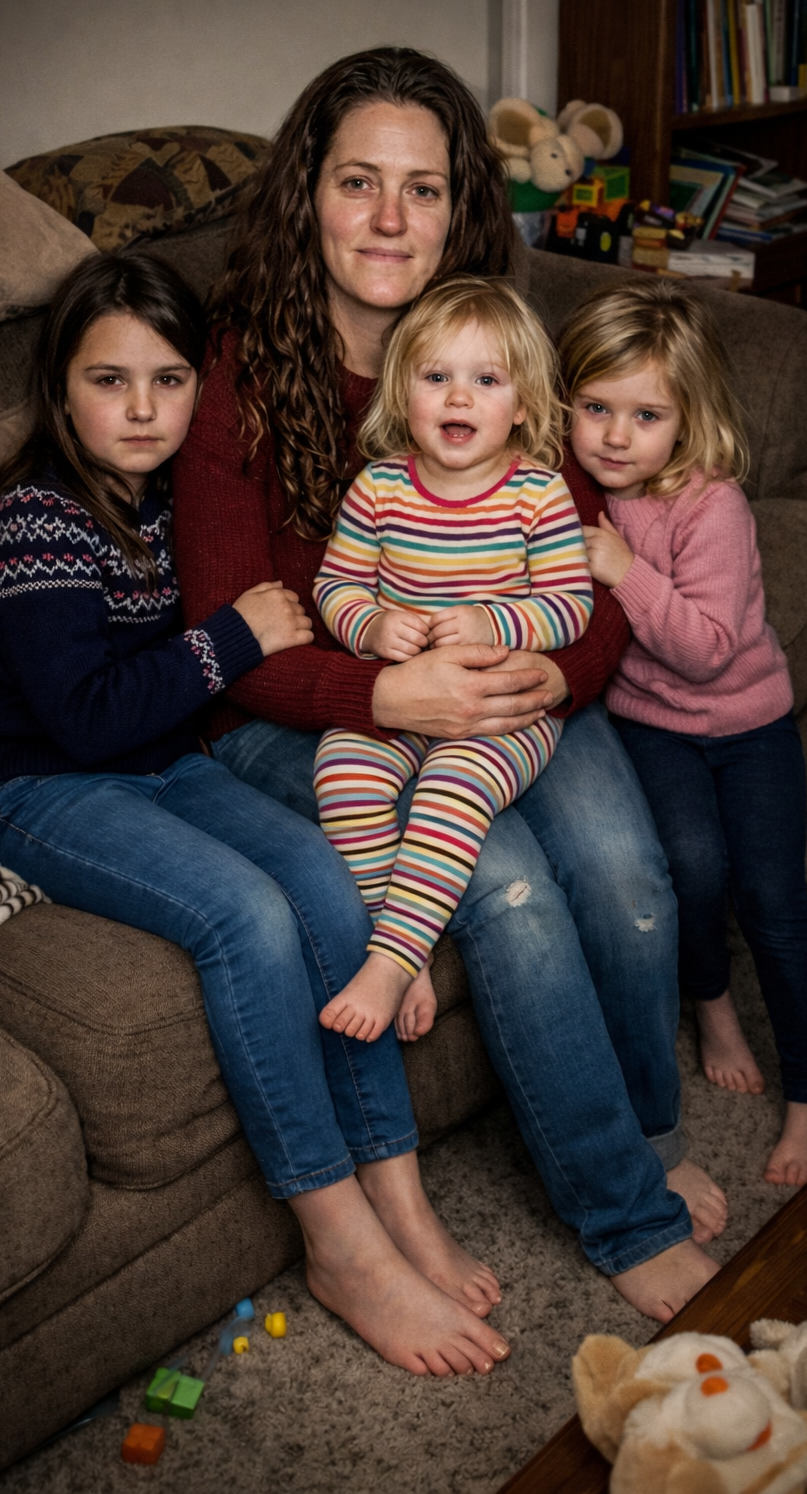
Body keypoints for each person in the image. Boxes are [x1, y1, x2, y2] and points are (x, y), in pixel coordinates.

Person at [174, 45, 728, 1323]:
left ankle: (646, 1131)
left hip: (503, 686)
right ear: (306, 193)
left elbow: (585, 583)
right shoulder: (239, 374)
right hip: (309, 708)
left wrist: (545, 667)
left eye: (420, 189)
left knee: (624, 869)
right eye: (357, 181)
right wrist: (386, 697)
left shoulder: (495, 349)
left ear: (458, 205)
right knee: (513, 887)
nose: (388, 218)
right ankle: (625, 1216)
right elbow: (230, 638)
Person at [0, 250, 513, 1379]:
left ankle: (400, 1199)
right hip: (36, 787)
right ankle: (340, 1243)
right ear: (59, 388)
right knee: (247, 917)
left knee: (323, 879)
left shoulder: (161, 499)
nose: (142, 409)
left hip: (164, 761)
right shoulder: (34, 519)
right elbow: (85, 719)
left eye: (168, 380)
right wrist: (233, 640)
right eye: (109, 381)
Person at [559, 276, 807, 1188]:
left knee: (774, 901)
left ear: (688, 420)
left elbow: (710, 651)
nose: (615, 436)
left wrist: (625, 570)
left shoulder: (711, 507)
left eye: (646, 416)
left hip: (748, 724)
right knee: (691, 868)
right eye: (595, 408)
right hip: (650, 727)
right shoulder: (573, 492)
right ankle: (713, 1004)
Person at [313, 275, 592, 1045]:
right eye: (436, 377)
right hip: (404, 694)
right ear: (401, 392)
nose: (459, 397)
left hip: (505, 710)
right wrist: (372, 626)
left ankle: (388, 962)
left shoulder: (538, 494)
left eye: (487, 380)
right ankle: (405, 946)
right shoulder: (378, 488)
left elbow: (571, 605)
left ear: (524, 404)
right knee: (341, 774)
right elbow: (335, 586)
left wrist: (490, 620)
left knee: (450, 788)